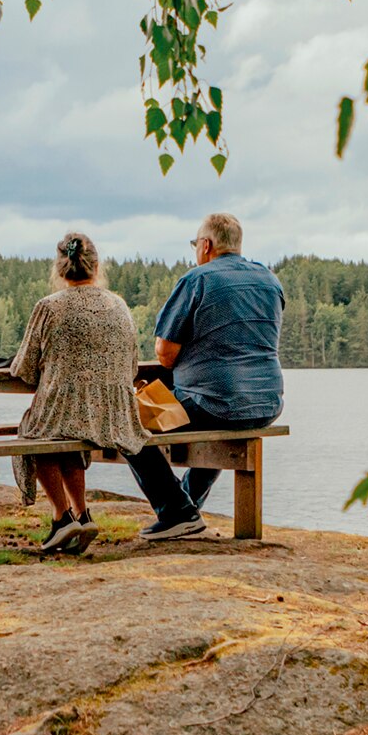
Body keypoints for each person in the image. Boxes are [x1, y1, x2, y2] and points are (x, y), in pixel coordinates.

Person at [127, 212, 284, 540]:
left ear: (206, 245)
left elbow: (165, 354)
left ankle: (177, 512)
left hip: (217, 403)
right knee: (214, 406)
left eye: (195, 244)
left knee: (126, 422)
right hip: (267, 402)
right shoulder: (270, 280)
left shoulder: (197, 280)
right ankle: (188, 508)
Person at [6, 231, 145, 556]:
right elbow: (133, 365)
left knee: (35, 433)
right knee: (62, 426)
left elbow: (24, 370)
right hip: (115, 418)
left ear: (59, 269)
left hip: (72, 415)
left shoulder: (50, 307)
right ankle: (81, 514)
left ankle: (60, 517)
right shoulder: (119, 305)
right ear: (97, 267)